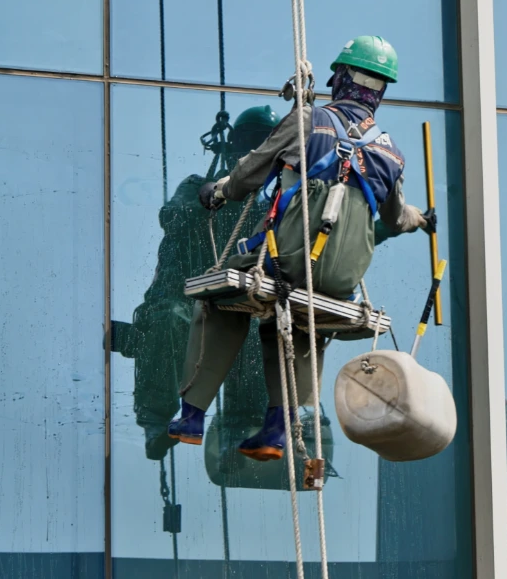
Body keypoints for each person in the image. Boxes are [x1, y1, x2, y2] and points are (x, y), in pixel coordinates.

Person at [167, 35, 436, 462]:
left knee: (219, 299)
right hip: (341, 280)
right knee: (304, 317)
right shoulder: (392, 153)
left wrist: (217, 192)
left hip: (286, 260)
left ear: (341, 78)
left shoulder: (310, 119)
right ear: (380, 92)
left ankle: (192, 415)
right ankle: (277, 427)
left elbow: (248, 175)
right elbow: (394, 218)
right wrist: (421, 219)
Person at [112, 106, 279, 460]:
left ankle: (249, 427)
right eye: (250, 144)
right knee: (170, 321)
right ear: (233, 147)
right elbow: (172, 217)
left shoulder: (274, 204)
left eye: (263, 145)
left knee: (263, 338)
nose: (254, 151)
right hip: (183, 300)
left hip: (237, 306)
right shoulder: (197, 186)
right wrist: (218, 195)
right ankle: (157, 421)